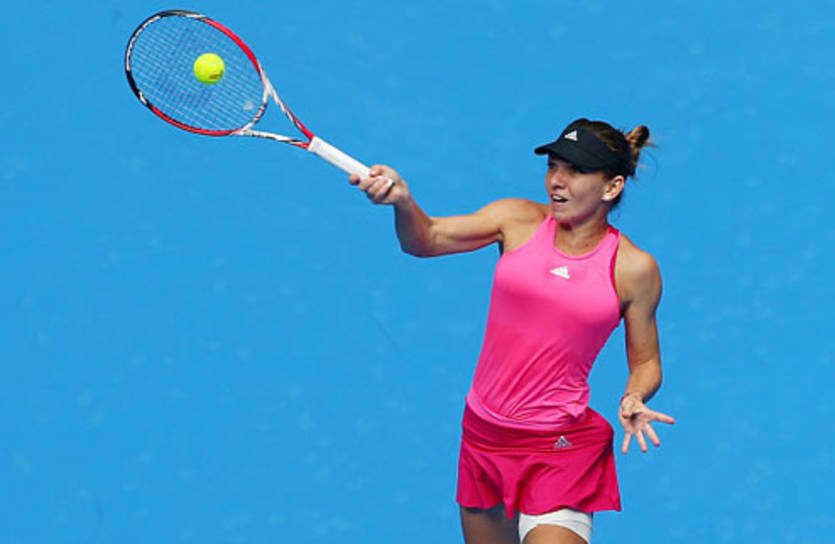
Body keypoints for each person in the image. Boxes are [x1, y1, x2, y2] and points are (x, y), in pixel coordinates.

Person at [348, 118, 675, 544]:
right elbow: (426, 238)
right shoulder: (516, 219)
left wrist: (635, 395)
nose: (556, 181)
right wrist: (404, 203)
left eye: (575, 171)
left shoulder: (633, 268)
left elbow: (646, 360)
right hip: (485, 438)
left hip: (559, 448)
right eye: (553, 166)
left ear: (611, 187)